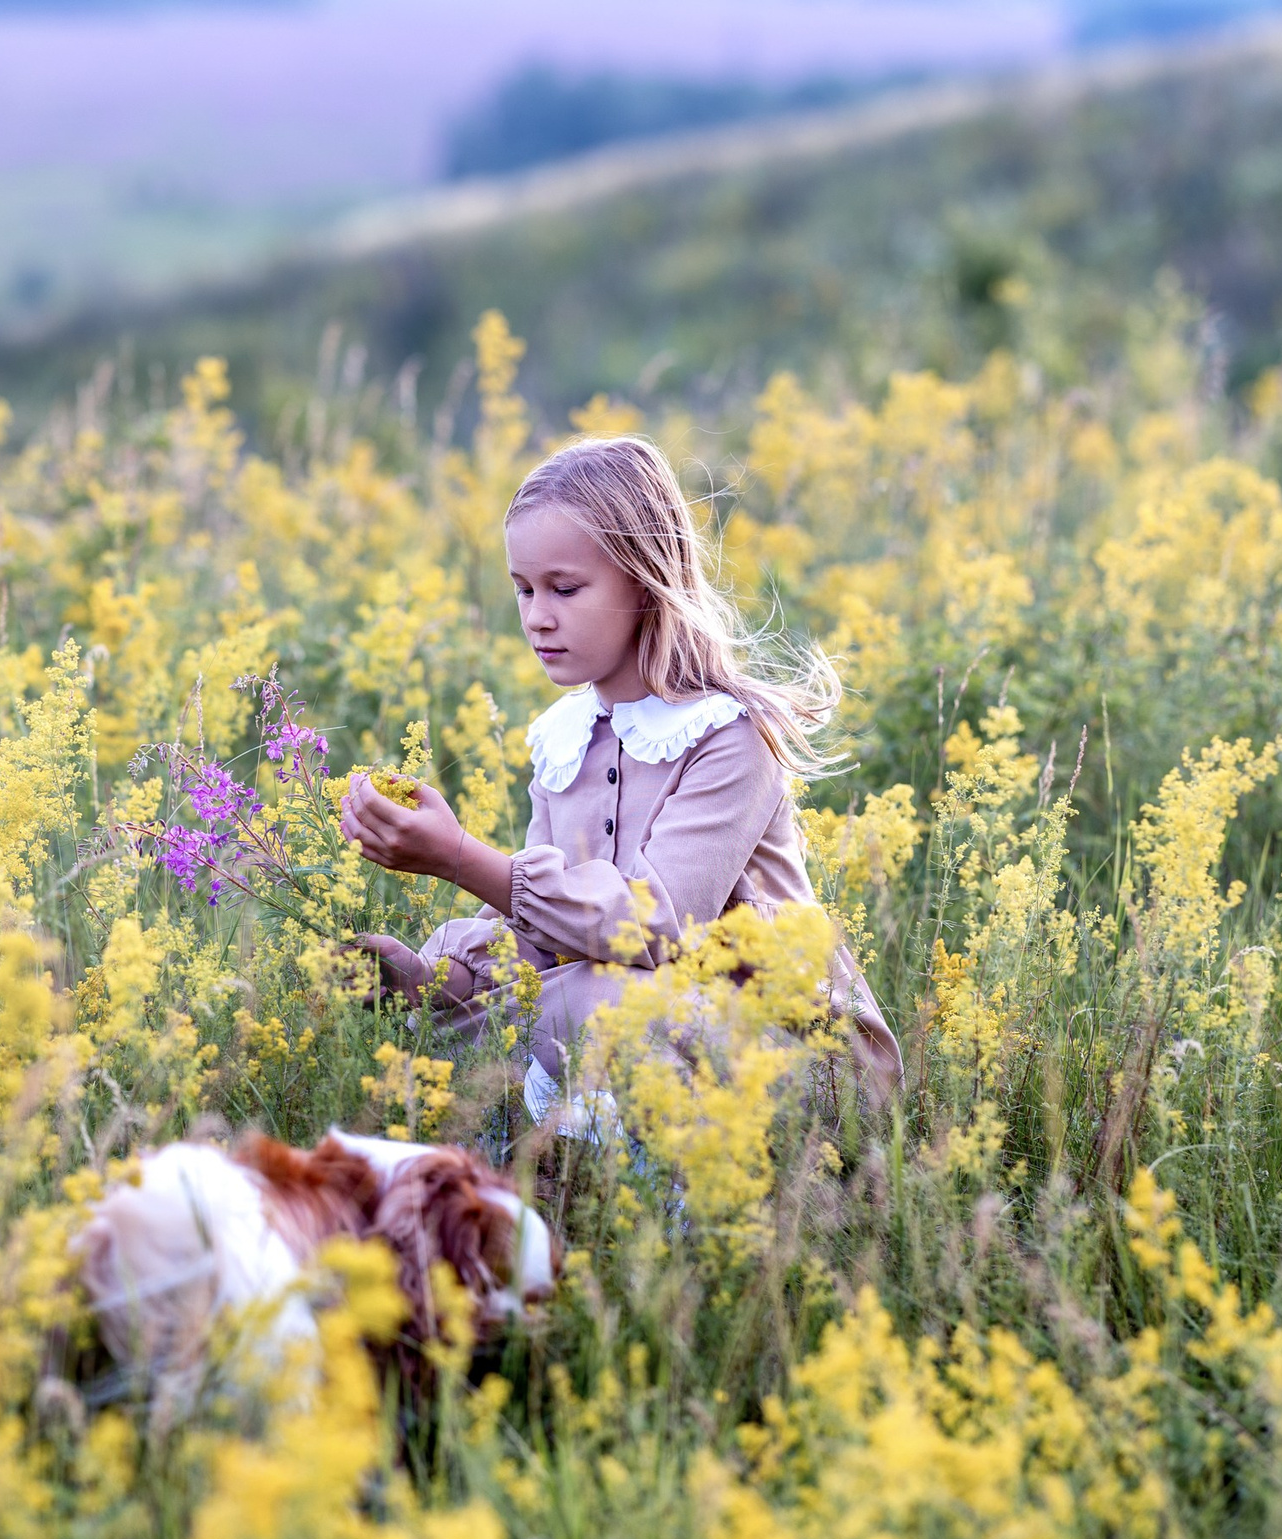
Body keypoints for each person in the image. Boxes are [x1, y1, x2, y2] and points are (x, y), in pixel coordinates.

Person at [337, 434, 901, 1116]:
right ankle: (585, 1141)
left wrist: (456, 856)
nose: (538, 616)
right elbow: (536, 938)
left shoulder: (730, 737)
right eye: (522, 589)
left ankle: (596, 1139)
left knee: (593, 1002)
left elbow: (651, 928)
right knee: (444, 1020)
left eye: (565, 588)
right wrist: (428, 980)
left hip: (793, 1050)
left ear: (643, 580)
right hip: (644, 1020)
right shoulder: (565, 740)